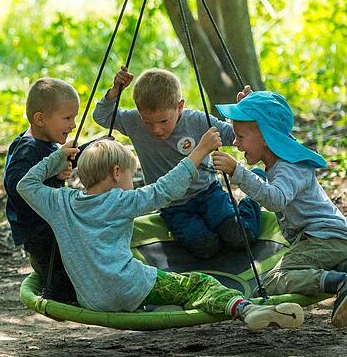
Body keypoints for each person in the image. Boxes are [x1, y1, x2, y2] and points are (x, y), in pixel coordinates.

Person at [16, 131, 305, 330]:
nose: (133, 182)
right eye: (131, 175)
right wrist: (200, 151)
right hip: (129, 287)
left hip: (91, 298)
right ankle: (245, 309)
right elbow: (165, 189)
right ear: (117, 173)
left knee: (155, 282)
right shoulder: (121, 200)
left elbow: (25, 185)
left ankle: (153, 308)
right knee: (196, 285)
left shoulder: (60, 203)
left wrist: (57, 159)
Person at [211, 90, 347, 328]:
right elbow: (271, 127)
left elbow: (276, 199)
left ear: (266, 137)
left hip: (326, 238)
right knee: (279, 276)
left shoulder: (287, 167)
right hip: (327, 238)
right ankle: (342, 267)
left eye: (239, 136)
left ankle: (343, 281)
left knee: (272, 282)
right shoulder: (280, 155)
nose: (235, 143)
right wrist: (249, 108)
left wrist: (238, 173)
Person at [92, 67, 261, 259]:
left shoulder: (196, 121)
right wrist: (115, 91)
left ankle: (251, 200)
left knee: (240, 237)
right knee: (205, 247)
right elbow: (102, 116)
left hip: (208, 193)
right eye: (148, 122)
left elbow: (233, 135)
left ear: (179, 107)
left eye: (164, 121)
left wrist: (244, 113)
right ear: (139, 112)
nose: (156, 129)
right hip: (173, 205)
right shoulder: (133, 121)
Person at [3, 77, 81, 303]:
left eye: (74, 117)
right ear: (40, 119)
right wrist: (52, 172)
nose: (73, 124)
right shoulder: (27, 149)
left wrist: (93, 148)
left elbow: (63, 160)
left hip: (50, 222)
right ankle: (56, 296)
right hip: (38, 230)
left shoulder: (45, 141)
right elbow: (17, 183)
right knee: (59, 275)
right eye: (67, 118)